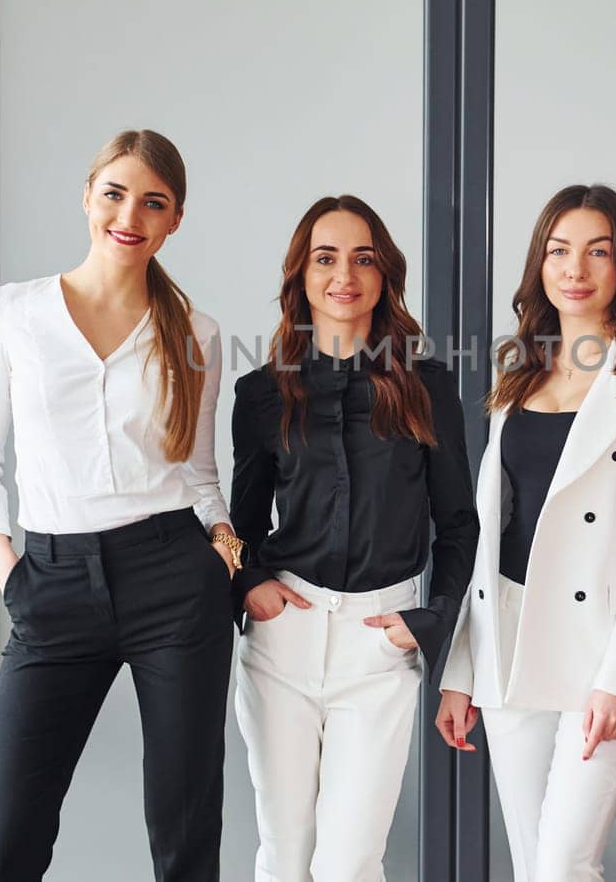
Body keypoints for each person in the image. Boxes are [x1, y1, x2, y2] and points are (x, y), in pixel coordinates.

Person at [0, 129, 236, 881]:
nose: (130, 214)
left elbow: (201, 473)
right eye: (114, 193)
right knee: (8, 843)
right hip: (51, 580)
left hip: (175, 582)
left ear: (174, 219)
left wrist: (223, 544)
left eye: (154, 201)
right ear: (87, 196)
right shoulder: (14, 314)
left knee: (185, 841)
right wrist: (10, 570)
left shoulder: (197, 334)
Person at [436, 184, 616, 882]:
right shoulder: (517, 371)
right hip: (510, 645)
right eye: (558, 250)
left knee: (563, 865)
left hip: (601, 650)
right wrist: (461, 672)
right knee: (533, 867)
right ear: (540, 264)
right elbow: (493, 533)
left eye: (597, 250)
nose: (574, 268)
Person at [229, 195, 480, 882]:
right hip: (282, 642)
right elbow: (238, 528)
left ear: (384, 274)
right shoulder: (260, 394)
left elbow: (459, 525)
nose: (345, 274)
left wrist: (431, 621)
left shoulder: (426, 386)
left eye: (363, 257)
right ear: (302, 277)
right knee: (284, 857)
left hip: (378, 642)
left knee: (348, 862)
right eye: (326, 257)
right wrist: (247, 580)